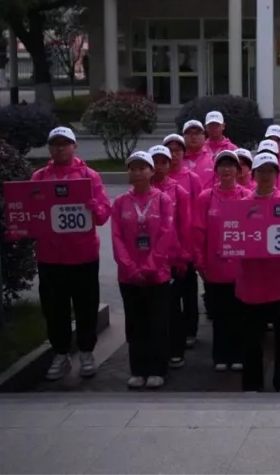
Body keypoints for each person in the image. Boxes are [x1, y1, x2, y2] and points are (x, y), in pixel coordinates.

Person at [30, 127, 112, 381]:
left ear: (75, 147)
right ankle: (60, 354)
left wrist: (95, 208)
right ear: (49, 148)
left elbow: (103, 214)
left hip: (84, 256)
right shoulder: (39, 177)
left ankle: (86, 353)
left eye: (65, 143)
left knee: (86, 307)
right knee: (55, 310)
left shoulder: (90, 176)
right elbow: (29, 213)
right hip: (50, 257)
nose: (60, 148)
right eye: (55, 144)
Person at [112, 151, 177, 389]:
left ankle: (159, 369)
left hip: (157, 274)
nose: (137, 172)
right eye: (133, 168)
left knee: (158, 323)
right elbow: (117, 238)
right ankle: (138, 369)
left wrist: (150, 266)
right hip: (129, 277)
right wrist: (130, 267)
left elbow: (166, 235)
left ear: (151, 172)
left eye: (142, 168)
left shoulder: (163, 200)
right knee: (135, 323)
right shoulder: (120, 202)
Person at [237, 153, 280, 392]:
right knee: (251, 339)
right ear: (253, 175)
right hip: (251, 283)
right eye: (261, 171)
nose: (265, 176)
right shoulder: (242, 206)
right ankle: (252, 384)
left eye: (270, 171)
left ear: (277, 175)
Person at [193, 150, 248, 372]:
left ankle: (238, 354)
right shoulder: (205, 197)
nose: (226, 169)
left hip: (241, 269)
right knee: (220, 314)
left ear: (238, 170)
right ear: (216, 170)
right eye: (222, 165)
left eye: (231, 165)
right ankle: (221, 356)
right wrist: (200, 262)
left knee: (239, 313)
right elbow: (198, 232)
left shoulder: (247, 197)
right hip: (214, 267)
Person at [148, 144, 195, 368]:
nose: (159, 166)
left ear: (170, 165)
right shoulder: (142, 191)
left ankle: (176, 349)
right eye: (155, 162)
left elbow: (186, 227)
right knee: (153, 309)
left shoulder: (179, 192)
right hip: (148, 260)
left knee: (173, 306)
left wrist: (183, 256)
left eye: (163, 162)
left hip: (172, 260)